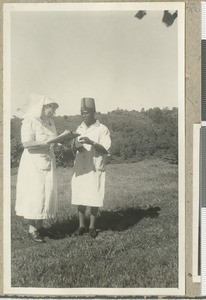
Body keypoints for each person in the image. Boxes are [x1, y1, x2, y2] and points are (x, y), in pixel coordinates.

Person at [15, 94, 59, 243]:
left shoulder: (50, 122)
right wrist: (46, 142)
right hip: (33, 164)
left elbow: (54, 139)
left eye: (53, 109)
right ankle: (32, 228)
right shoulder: (30, 121)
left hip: (47, 161)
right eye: (49, 108)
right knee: (35, 194)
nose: (52, 112)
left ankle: (40, 226)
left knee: (46, 193)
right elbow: (26, 143)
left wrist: (61, 141)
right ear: (41, 107)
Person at [71, 98, 111, 238]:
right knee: (80, 196)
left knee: (94, 195)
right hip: (80, 167)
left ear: (94, 112)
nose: (84, 115)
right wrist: (75, 146)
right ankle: (81, 226)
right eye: (82, 112)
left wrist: (91, 142)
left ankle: (92, 226)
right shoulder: (79, 128)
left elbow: (105, 149)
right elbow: (75, 150)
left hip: (94, 166)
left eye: (87, 112)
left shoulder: (102, 129)